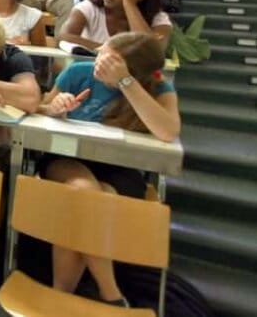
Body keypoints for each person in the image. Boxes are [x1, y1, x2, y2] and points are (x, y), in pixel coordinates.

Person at [38, 32, 179, 306]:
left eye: (109, 60)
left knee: (90, 200)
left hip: (119, 168)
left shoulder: (156, 86)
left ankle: (60, 296)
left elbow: (167, 131)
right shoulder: (79, 72)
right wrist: (55, 108)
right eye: (101, 54)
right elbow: (40, 108)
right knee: (84, 191)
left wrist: (125, 82)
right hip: (67, 159)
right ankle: (110, 293)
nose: (99, 62)